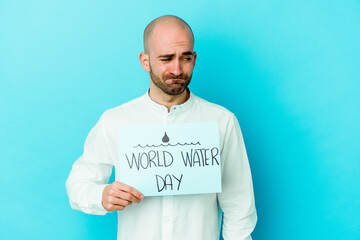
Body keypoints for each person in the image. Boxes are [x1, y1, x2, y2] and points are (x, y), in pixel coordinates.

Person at [66, 15, 257, 240]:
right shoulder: (115, 121)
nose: (177, 69)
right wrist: (102, 195)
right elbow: (77, 185)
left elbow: (239, 206)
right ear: (145, 61)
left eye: (185, 58)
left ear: (194, 59)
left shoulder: (222, 121)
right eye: (166, 59)